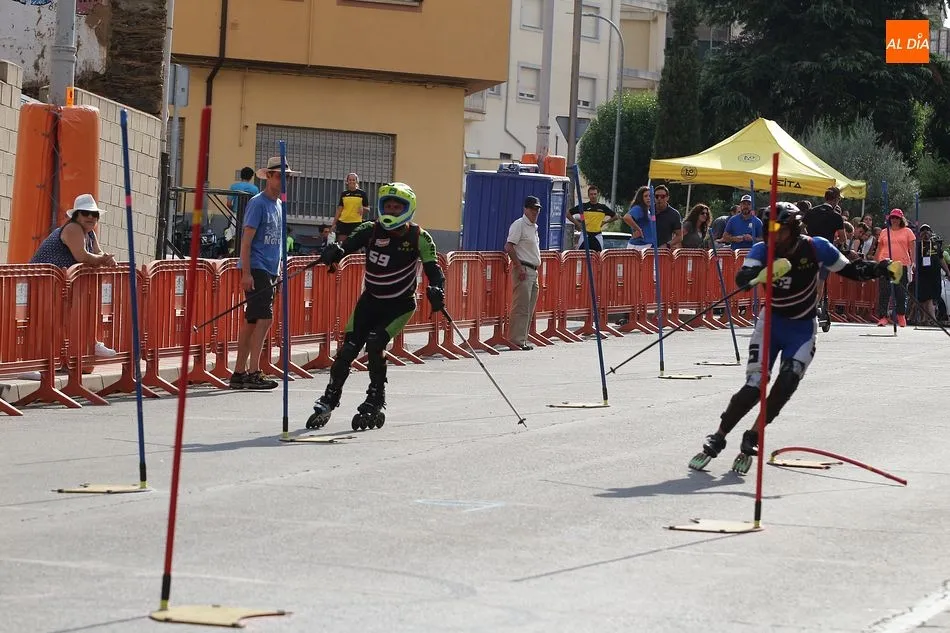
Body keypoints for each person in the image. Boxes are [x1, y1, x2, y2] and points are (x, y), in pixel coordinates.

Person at [688, 202, 901, 474]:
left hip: (801, 329)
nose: (773, 235)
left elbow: (851, 270)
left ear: (795, 227)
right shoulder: (762, 249)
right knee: (755, 385)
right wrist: (760, 275)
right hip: (770, 325)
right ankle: (718, 436)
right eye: (769, 229)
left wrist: (882, 268)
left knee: (786, 383)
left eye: (780, 229)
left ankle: (752, 435)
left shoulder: (816, 247)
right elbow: (742, 278)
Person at [306, 182, 445, 431]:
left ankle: (376, 398)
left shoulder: (419, 236)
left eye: (397, 206)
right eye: (387, 205)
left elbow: (435, 271)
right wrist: (333, 251)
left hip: (399, 305)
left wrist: (437, 289)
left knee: (375, 344)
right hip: (369, 302)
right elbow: (346, 246)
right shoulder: (370, 229)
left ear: (408, 208)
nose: (391, 210)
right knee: (347, 350)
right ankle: (330, 397)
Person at [230, 156, 298, 390]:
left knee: (252, 321)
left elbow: (277, 243)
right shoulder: (258, 203)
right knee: (264, 318)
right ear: (268, 176)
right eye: (279, 176)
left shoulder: (279, 205)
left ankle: (239, 372)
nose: (283, 180)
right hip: (256, 266)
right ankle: (253, 371)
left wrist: (278, 271)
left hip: (270, 269)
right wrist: (246, 273)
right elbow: (246, 242)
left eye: (286, 177)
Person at [30, 193, 118, 359]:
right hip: (42, 281)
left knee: (74, 317)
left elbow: (97, 252)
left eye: (95, 214)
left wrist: (107, 257)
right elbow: (82, 256)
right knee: (41, 324)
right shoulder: (73, 228)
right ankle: (30, 362)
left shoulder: (89, 233)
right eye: (85, 213)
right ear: (76, 215)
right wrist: (103, 260)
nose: (91, 217)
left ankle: (91, 344)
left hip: (60, 284)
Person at [504, 196, 542, 351]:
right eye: (533, 208)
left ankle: (523, 338)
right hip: (524, 269)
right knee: (521, 306)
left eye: (537, 209)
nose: (535, 212)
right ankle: (516, 340)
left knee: (529, 307)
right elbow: (509, 246)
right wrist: (519, 267)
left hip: (533, 269)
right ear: (525, 209)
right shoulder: (519, 224)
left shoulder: (534, 227)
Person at [874, 208, 915, 327]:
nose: (894, 220)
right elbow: (879, 249)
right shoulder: (883, 232)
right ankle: (883, 317)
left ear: (901, 219)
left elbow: (912, 248)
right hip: (885, 263)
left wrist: (913, 263)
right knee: (884, 291)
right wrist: (876, 263)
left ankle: (901, 315)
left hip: (901, 264)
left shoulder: (907, 231)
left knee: (900, 292)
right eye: (892, 217)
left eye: (897, 218)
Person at [914, 224, 949, 322]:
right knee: (925, 297)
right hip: (922, 275)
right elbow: (914, 259)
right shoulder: (917, 245)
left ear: (931, 232)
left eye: (927, 230)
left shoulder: (936, 245)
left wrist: (948, 272)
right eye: (923, 231)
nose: (925, 232)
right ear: (920, 234)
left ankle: (926, 318)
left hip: (934, 275)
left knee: (932, 297)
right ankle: (932, 318)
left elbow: (941, 259)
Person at [568, 185, 616, 251]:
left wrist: (605, 222)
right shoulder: (583, 206)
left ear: (597, 195)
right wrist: (577, 223)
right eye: (591, 194)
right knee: (581, 256)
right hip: (585, 235)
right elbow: (568, 214)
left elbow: (615, 216)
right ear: (588, 195)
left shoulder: (603, 207)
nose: (593, 196)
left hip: (597, 235)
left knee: (598, 257)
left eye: (595, 194)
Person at [333, 172, 370, 240]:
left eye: (353, 180)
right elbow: (339, 210)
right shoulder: (344, 194)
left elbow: (368, 209)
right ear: (347, 181)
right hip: (343, 222)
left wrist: (363, 208)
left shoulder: (362, 194)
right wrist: (334, 224)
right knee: (342, 246)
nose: (352, 181)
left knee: (355, 246)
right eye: (350, 180)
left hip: (356, 223)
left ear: (357, 181)